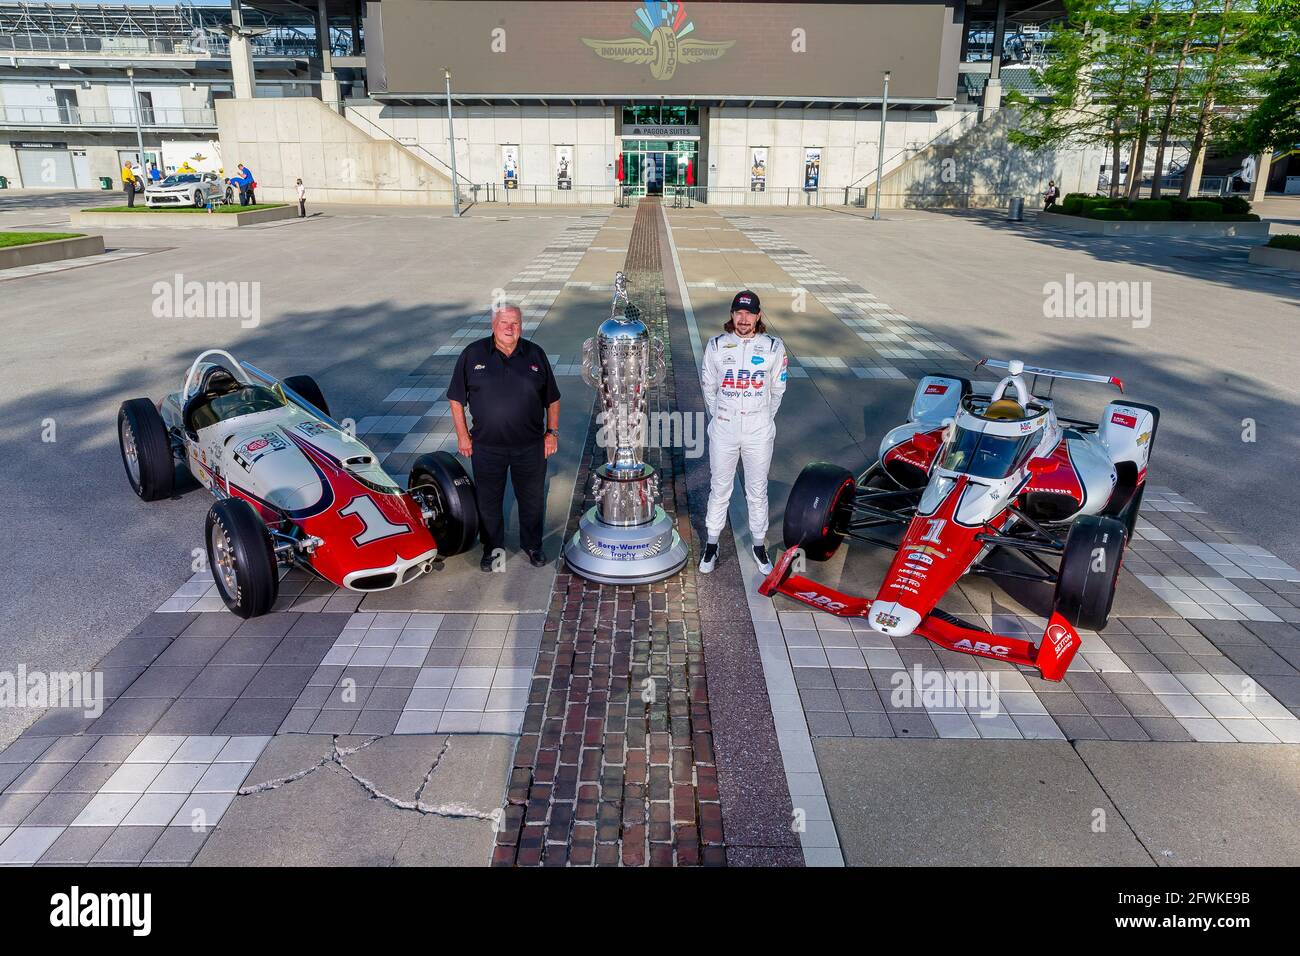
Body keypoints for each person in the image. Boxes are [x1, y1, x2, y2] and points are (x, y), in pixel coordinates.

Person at [447, 305, 561, 572]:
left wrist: (552, 433)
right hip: (487, 447)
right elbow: (456, 400)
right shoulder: (472, 354)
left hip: (530, 446)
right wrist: (463, 437)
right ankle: (492, 549)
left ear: (522, 326)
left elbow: (553, 399)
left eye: (515, 323)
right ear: (493, 325)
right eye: (504, 323)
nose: (510, 328)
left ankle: (532, 546)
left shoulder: (535, 354)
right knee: (488, 502)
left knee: (532, 499)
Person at [699, 290, 788, 576]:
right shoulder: (716, 345)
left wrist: (760, 417)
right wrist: (724, 416)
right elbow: (708, 388)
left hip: (758, 429)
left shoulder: (773, 347)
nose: (744, 318)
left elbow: (777, 390)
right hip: (724, 426)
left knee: (757, 491)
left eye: (749, 313)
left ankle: (759, 545)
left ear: (758, 316)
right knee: (720, 488)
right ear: (731, 314)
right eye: (739, 312)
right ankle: (712, 544)